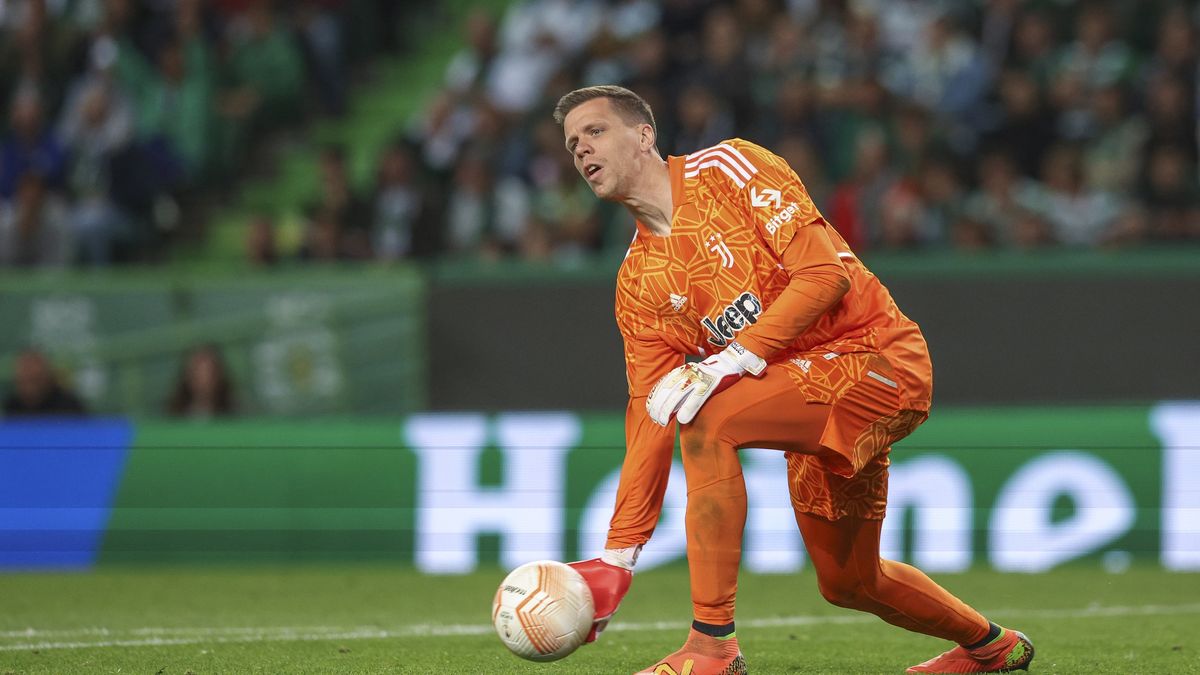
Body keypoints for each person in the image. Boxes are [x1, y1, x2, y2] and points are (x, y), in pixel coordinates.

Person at [554, 86, 1034, 675]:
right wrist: (617, 556)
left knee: (707, 418)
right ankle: (992, 647)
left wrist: (732, 359)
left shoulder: (729, 167)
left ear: (644, 135)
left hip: (876, 358)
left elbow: (824, 274)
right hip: (805, 393)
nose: (581, 150)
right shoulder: (638, 284)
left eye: (595, 131)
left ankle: (712, 647)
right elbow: (649, 415)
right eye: (572, 144)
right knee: (850, 581)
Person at [3, 349, 87, 417]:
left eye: (35, 379)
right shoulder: (12, 405)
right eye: (24, 378)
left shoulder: (67, 405)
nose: (29, 374)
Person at [166, 344, 237, 418]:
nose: (203, 379)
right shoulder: (173, 412)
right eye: (196, 372)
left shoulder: (234, 411)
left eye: (208, 372)